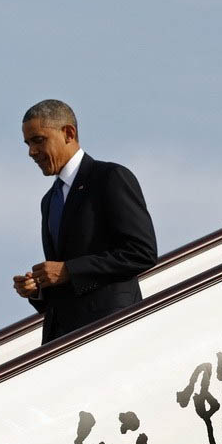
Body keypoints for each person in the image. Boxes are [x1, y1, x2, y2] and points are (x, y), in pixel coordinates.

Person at [12, 99, 157, 343]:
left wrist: (69, 270)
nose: (31, 152)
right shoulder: (49, 201)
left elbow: (141, 253)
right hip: (62, 340)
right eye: (28, 144)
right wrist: (38, 290)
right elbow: (66, 287)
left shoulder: (109, 178)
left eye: (38, 140)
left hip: (110, 331)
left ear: (68, 133)